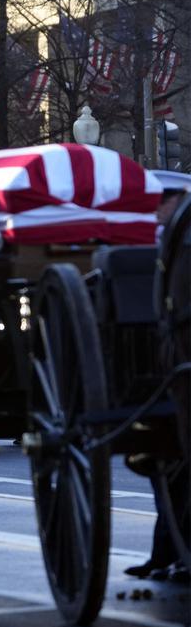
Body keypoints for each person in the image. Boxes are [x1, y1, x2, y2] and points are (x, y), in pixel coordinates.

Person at [125, 170, 191, 580]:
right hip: (169, 363)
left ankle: (173, 552)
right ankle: (169, 552)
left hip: (176, 358)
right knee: (170, 471)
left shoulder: (180, 235)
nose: (152, 217)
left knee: (175, 471)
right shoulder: (175, 234)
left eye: (155, 207)